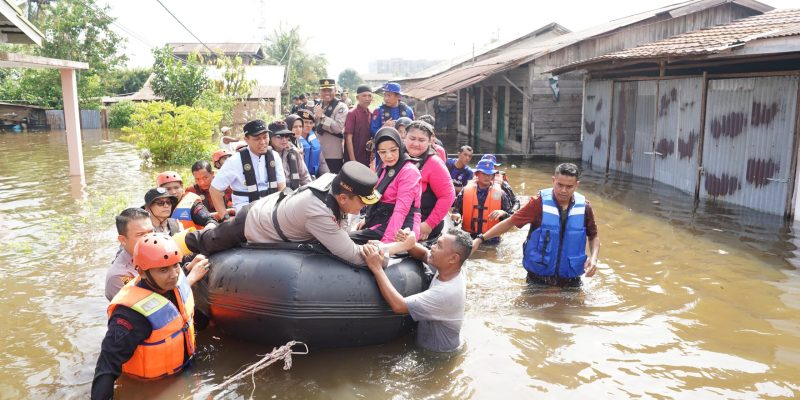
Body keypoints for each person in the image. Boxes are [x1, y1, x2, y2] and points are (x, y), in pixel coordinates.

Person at [181, 162, 409, 265]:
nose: (364, 209)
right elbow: (356, 256)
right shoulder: (319, 212)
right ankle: (179, 243)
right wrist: (400, 247)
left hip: (275, 209)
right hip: (253, 221)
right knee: (207, 242)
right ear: (342, 198)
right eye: (362, 203)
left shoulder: (334, 180)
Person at [91, 233, 209, 400]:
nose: (174, 275)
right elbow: (106, 367)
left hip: (187, 369)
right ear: (142, 272)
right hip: (152, 386)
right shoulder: (129, 316)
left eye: (175, 265)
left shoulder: (174, 282)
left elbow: (187, 317)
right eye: (163, 270)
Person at [474, 163, 600, 287]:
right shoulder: (537, 203)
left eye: (569, 187)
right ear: (553, 180)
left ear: (576, 185)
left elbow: (593, 236)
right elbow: (510, 222)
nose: (563, 190)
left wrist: (593, 259)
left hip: (571, 279)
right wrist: (481, 239)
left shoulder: (584, 207)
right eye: (559, 185)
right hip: (539, 278)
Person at [362, 227, 471, 353]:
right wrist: (407, 243)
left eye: (439, 246)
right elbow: (424, 254)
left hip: (437, 354)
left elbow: (399, 306)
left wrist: (376, 268)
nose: (433, 247)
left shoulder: (446, 293)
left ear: (453, 258)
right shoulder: (451, 268)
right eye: (436, 243)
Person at [351, 127, 421, 244]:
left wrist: (387, 243)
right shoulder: (384, 167)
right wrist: (367, 220)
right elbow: (375, 195)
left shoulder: (409, 171)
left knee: (349, 240)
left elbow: (401, 211)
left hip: (402, 226)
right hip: (382, 219)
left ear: (400, 147)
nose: (388, 156)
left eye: (393, 150)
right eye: (383, 152)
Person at [210, 119, 286, 214]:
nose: (263, 142)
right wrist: (224, 216)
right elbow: (214, 189)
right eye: (257, 139)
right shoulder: (234, 161)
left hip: (271, 207)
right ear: (246, 140)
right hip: (246, 210)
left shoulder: (274, 156)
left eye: (265, 137)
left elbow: (281, 186)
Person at [404, 121, 455, 241]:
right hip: (398, 217)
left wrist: (428, 224)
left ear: (429, 141)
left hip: (423, 221)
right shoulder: (398, 157)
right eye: (412, 138)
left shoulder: (434, 163)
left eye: (421, 140)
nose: (416, 144)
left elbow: (448, 195)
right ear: (404, 138)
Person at [451, 158, 514, 241]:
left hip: (491, 239)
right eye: (484, 173)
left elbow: (512, 219)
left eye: (490, 174)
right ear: (477, 174)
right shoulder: (465, 191)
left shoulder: (501, 194)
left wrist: (503, 213)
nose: (487, 176)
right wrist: (457, 215)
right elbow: (456, 210)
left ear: (493, 176)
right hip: (469, 237)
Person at [105, 208, 153, 301]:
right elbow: (150, 307)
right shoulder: (118, 276)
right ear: (123, 240)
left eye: (151, 232)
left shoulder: (155, 253)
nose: (149, 238)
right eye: (140, 234)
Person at [314, 79, 349, 173]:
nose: (326, 93)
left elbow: (338, 128)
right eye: (324, 90)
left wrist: (322, 117)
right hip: (317, 151)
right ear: (320, 92)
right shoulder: (318, 105)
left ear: (335, 90)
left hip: (332, 153)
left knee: (333, 183)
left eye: (329, 90)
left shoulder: (341, 107)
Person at [268, 120, 312, 190]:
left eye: (286, 136)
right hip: (273, 195)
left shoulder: (293, 153)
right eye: (279, 136)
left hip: (293, 194)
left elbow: (305, 177)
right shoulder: (265, 155)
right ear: (270, 137)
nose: (284, 139)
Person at [344, 85, 373, 167]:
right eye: (364, 96)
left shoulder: (371, 114)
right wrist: (353, 160)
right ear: (357, 97)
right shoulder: (352, 113)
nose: (367, 98)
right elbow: (348, 137)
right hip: (353, 159)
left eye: (369, 96)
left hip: (366, 159)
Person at [296, 109, 328, 177]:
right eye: (305, 122)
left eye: (311, 123)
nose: (309, 125)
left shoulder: (314, 139)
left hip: (312, 177)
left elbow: (322, 163)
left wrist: (328, 177)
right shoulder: (293, 141)